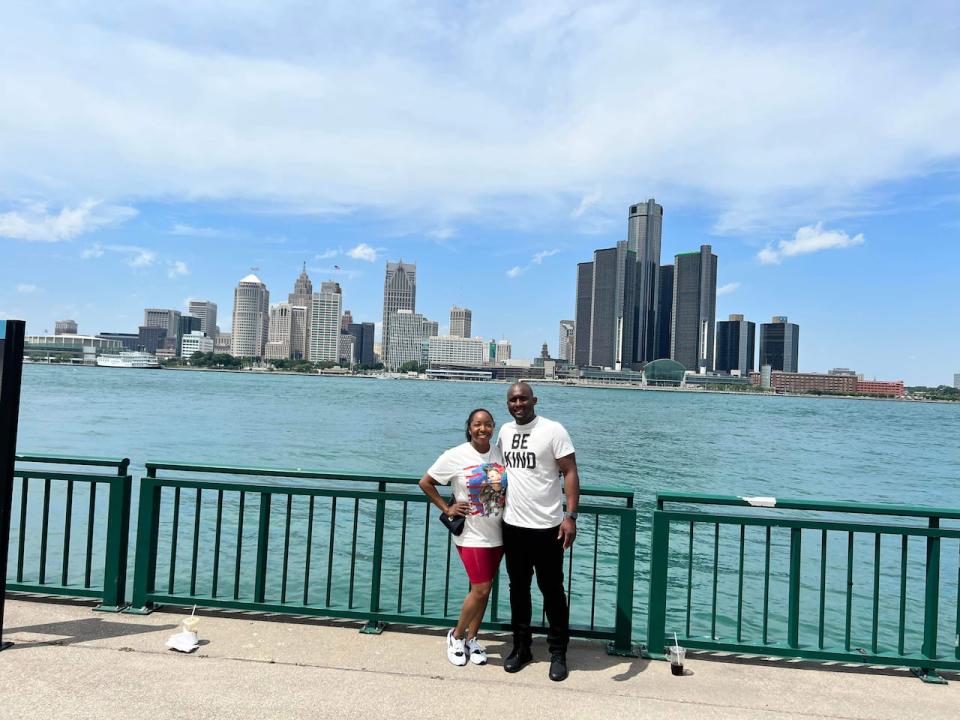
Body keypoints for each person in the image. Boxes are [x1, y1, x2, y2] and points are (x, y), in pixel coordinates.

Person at [497, 382, 579, 682]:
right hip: (513, 525)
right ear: (508, 405)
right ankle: (522, 648)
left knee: (553, 592)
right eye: (512, 400)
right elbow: (502, 470)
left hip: (548, 527)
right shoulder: (505, 432)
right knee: (517, 590)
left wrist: (570, 516)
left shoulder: (553, 430)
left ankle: (558, 652)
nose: (518, 404)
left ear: (534, 400)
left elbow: (570, 471)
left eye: (522, 398)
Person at [419, 408, 508, 667]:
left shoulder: (499, 453)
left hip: (498, 533)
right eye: (478, 425)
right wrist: (447, 508)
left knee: (484, 589)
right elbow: (426, 482)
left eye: (488, 424)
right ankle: (456, 636)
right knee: (480, 588)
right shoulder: (455, 455)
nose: (483, 429)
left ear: (493, 427)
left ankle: (472, 638)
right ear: (469, 427)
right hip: (470, 534)